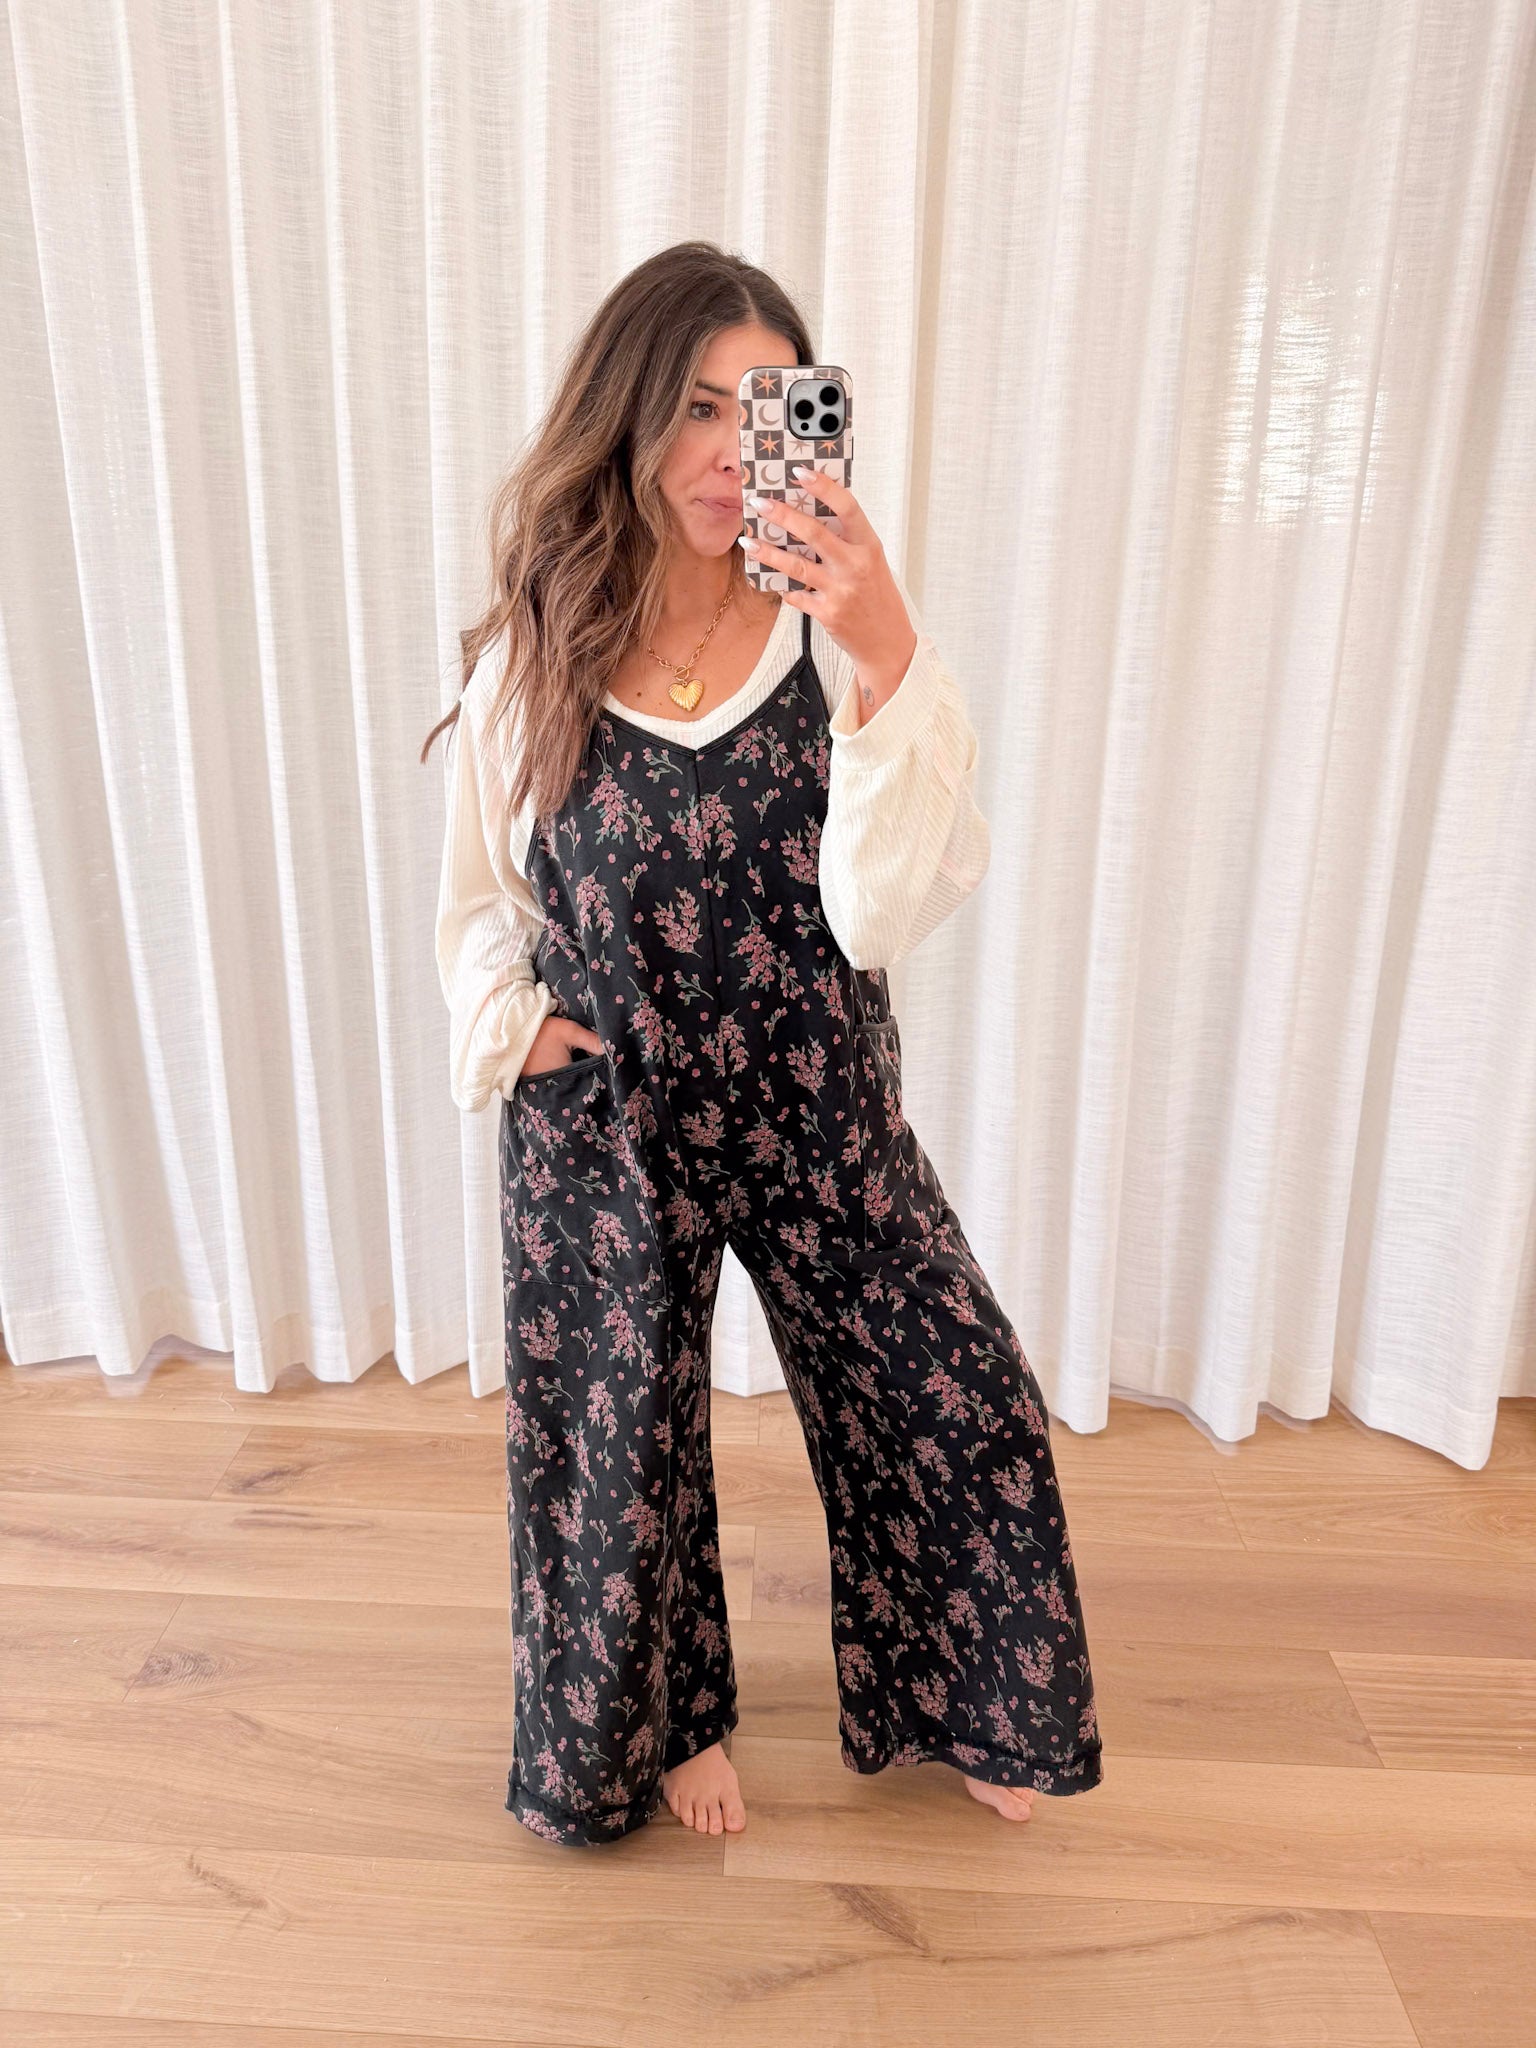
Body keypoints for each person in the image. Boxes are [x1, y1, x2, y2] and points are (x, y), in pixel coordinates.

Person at [427, 240, 1102, 1847]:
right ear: (627, 415)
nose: (734, 450)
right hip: (610, 1112)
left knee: (947, 1384)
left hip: (818, 1098)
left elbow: (875, 915)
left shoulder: (831, 637)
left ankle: (974, 1695)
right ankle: (667, 1724)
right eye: (697, 407)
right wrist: (516, 1032)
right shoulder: (540, 651)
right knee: (620, 1440)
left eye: (768, 408)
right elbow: (479, 900)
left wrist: (884, 648)